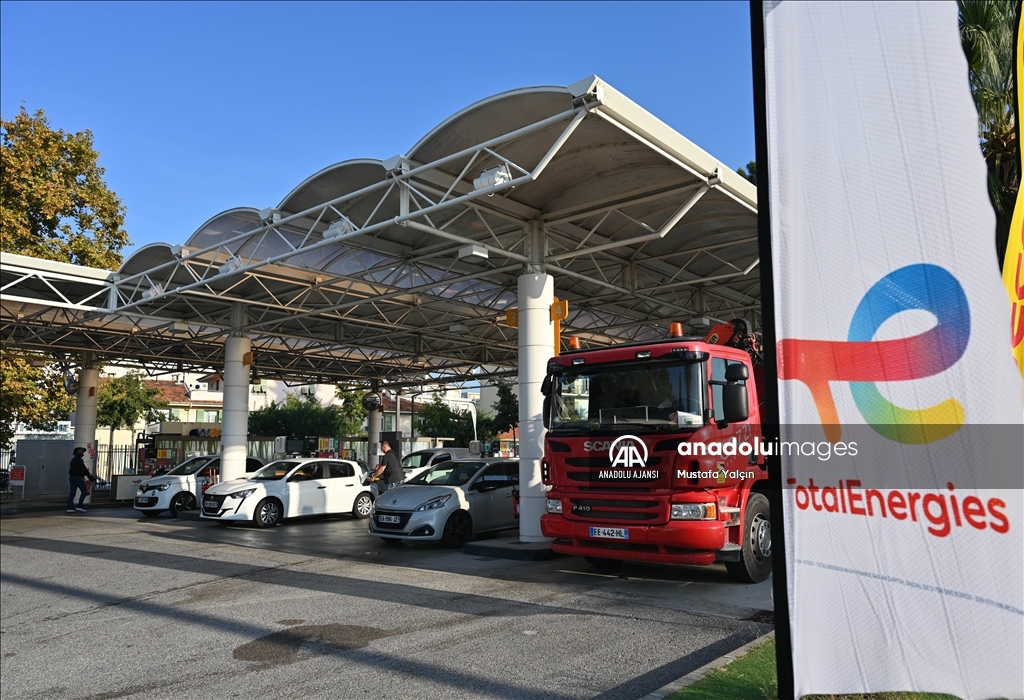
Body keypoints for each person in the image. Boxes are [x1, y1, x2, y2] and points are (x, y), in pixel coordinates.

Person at [67, 446, 96, 513]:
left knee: (72, 493)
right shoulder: (79, 460)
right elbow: (83, 469)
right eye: (82, 452)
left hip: (72, 477)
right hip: (78, 478)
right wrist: (89, 475)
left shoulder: (73, 460)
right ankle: (79, 506)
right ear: (79, 453)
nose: (83, 453)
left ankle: (69, 508)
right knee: (84, 492)